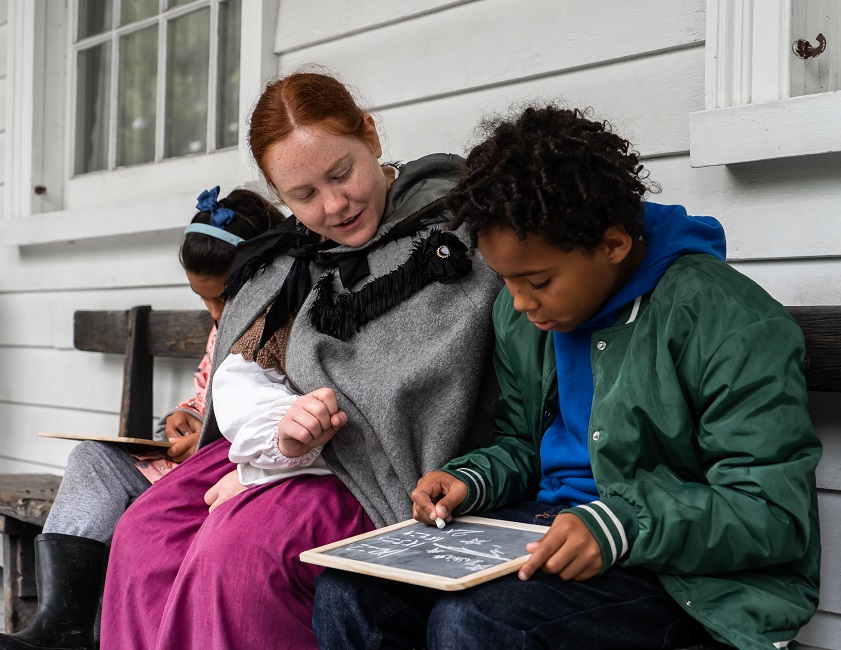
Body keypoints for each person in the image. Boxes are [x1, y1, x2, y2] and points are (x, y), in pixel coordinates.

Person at [312, 105, 822, 650]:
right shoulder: (527, 314)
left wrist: (619, 525)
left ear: (613, 244)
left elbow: (771, 513)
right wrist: (472, 479)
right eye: (506, 279)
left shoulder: (728, 320)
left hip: (686, 581)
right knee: (350, 591)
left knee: (479, 621)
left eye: (537, 279)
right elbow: (522, 443)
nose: (518, 302)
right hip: (549, 528)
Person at [98, 71, 501, 650]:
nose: (334, 206)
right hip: (276, 445)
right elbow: (243, 370)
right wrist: (266, 448)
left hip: (375, 474)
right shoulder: (291, 264)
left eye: (342, 174)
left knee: (241, 553)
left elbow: (429, 398)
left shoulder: (456, 234)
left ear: (371, 135)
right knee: (148, 530)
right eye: (303, 195)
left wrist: (264, 473)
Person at [0, 187, 283, 650]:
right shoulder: (221, 329)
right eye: (202, 299)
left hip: (232, 481)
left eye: (224, 299)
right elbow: (204, 394)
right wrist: (186, 417)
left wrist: (218, 441)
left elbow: (282, 421)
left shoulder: (281, 329)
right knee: (92, 459)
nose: (215, 313)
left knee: (136, 521)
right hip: (184, 468)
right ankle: (61, 626)